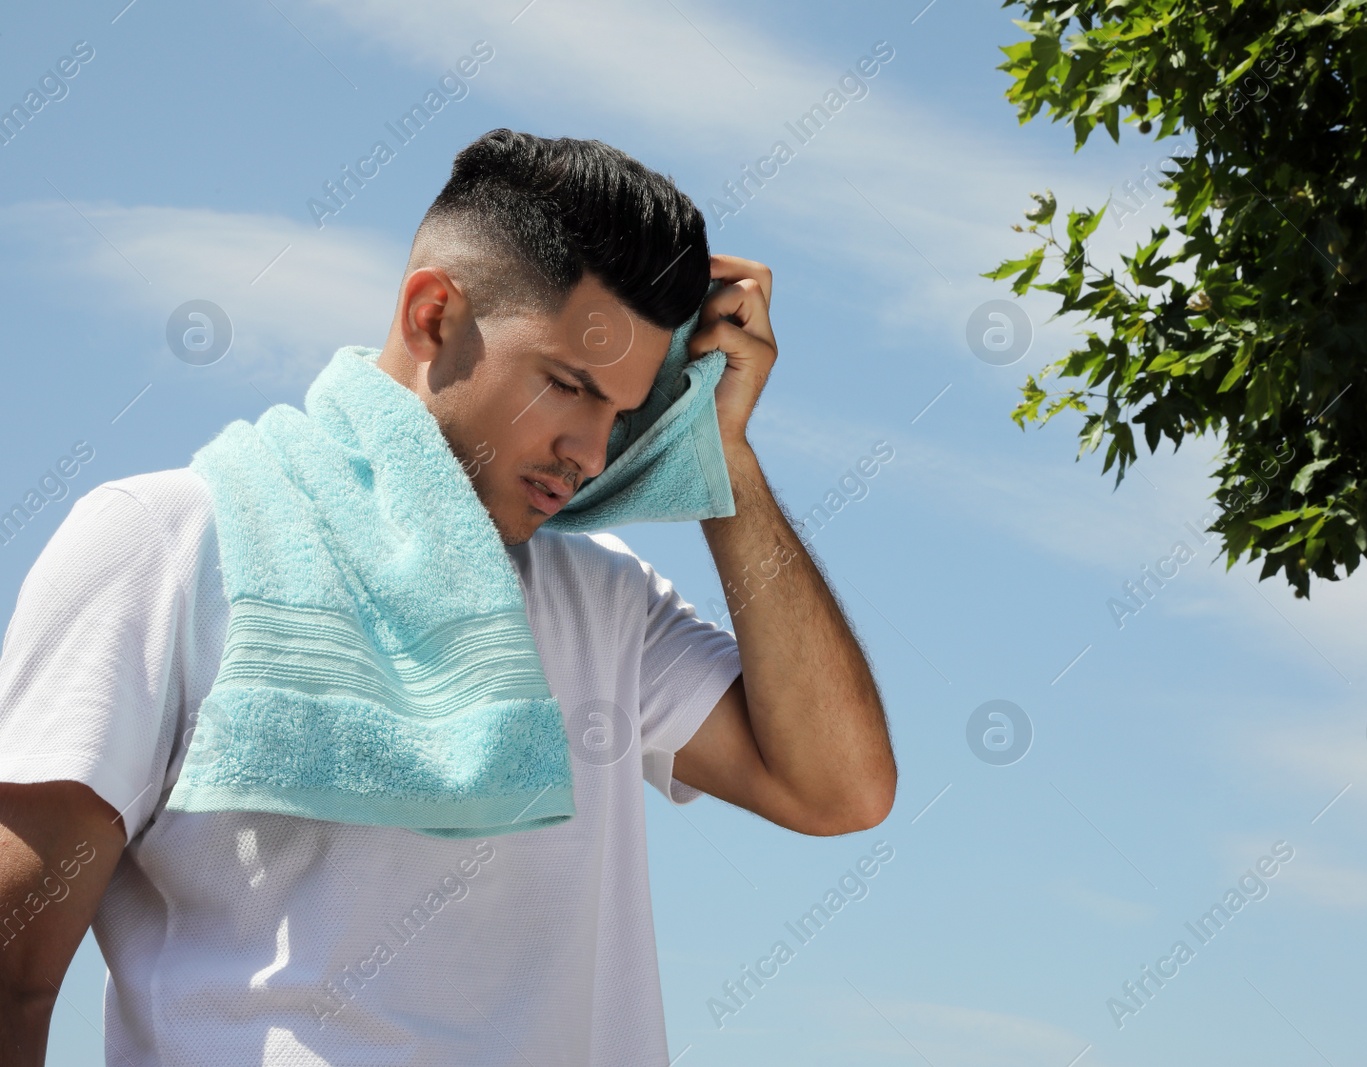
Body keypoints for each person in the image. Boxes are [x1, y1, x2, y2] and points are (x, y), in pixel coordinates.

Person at [0, 129, 896, 1066]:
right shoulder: (168, 541)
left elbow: (838, 787)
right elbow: (13, 972)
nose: (591, 452)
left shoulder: (608, 603)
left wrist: (724, 456)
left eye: (623, 412)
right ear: (433, 316)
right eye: (567, 385)